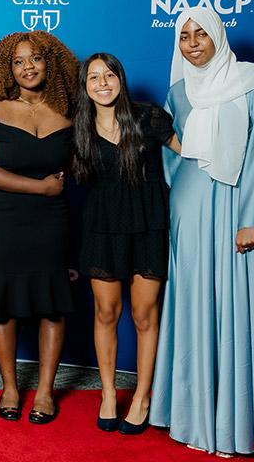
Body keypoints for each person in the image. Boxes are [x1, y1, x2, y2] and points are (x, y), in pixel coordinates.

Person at [150, 7, 254, 457]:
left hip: (238, 213)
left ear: (218, 36)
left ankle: (238, 424)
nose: (192, 43)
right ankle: (193, 417)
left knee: (243, 309)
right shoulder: (178, 91)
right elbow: (176, 156)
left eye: (201, 34)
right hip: (190, 215)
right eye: (184, 35)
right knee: (195, 307)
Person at [0, 30, 77, 424]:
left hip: (54, 221)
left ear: (51, 62)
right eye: (18, 61)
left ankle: (46, 391)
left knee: (53, 305)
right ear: (6, 68)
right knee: (3, 305)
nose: (27, 67)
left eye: (35, 59)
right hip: (7, 217)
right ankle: (10, 387)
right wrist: (42, 188)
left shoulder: (68, 109)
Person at [72, 53, 180, 434]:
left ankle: (142, 396)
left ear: (121, 78)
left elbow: (194, 156)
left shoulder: (148, 116)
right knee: (105, 313)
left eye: (110, 75)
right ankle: (106, 393)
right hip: (101, 227)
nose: (103, 83)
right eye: (94, 78)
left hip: (149, 224)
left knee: (144, 314)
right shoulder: (79, 128)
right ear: (84, 86)